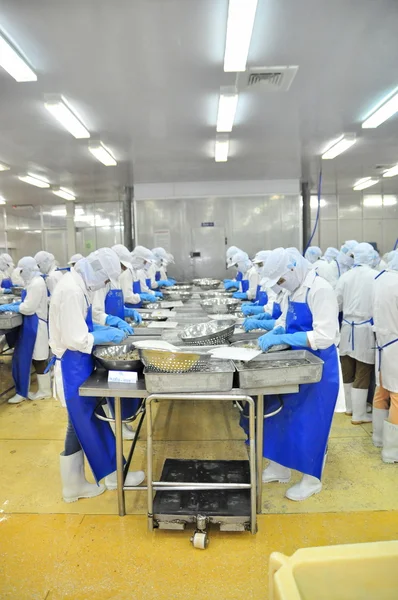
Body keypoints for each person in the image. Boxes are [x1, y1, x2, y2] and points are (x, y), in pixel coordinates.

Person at [49, 248, 145, 503]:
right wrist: (101, 335)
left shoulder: (78, 285)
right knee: (79, 423)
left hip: (79, 362)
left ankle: (112, 473)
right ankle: (75, 485)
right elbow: (75, 338)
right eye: (105, 279)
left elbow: (83, 323)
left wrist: (106, 324)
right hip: (72, 365)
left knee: (89, 420)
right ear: (98, 272)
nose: (104, 285)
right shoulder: (70, 290)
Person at [254, 247, 340, 501]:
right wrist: (276, 331)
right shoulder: (294, 289)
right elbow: (283, 318)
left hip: (318, 367)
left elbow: (325, 336)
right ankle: (280, 468)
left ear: (293, 268)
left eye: (281, 279)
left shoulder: (320, 289)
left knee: (311, 423)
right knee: (281, 416)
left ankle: (312, 479)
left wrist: (290, 337)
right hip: (294, 363)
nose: (281, 285)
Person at [91, 244, 142, 441]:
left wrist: (125, 313)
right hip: (105, 335)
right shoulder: (98, 282)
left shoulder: (112, 279)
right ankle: (116, 423)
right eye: (121, 266)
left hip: (116, 333)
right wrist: (111, 322)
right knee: (112, 383)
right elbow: (95, 313)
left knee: (121, 381)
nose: (122, 270)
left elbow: (115, 303)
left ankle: (122, 420)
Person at [335, 243, 378, 423]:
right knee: (363, 370)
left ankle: (350, 408)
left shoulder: (345, 277)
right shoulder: (376, 277)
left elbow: (336, 303)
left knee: (347, 368)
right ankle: (360, 415)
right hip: (365, 329)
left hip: (346, 327)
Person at [0, 257, 51, 404]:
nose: (20, 273)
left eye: (22, 270)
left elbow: (28, 308)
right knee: (35, 358)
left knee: (37, 358)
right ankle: (41, 390)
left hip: (35, 325)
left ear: (27, 269)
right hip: (33, 324)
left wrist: (10, 307)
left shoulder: (36, 283)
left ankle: (43, 391)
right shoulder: (35, 281)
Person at [371, 250, 398, 462]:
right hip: (395, 346)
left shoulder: (380, 279)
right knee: (397, 398)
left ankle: (378, 438)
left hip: (384, 344)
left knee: (382, 392)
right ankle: (391, 451)